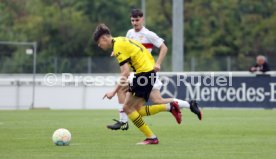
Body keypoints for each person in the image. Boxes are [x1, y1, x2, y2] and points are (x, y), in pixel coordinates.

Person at [106, 9, 202, 131]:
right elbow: (125, 46)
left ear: (142, 19)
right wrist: (115, 50)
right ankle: (189, 104)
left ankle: (123, 121)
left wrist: (158, 63)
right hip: (137, 73)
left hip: (146, 72)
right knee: (155, 101)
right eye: (132, 20)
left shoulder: (148, 34)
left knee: (125, 92)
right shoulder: (129, 33)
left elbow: (164, 48)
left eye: (137, 20)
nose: (135, 23)